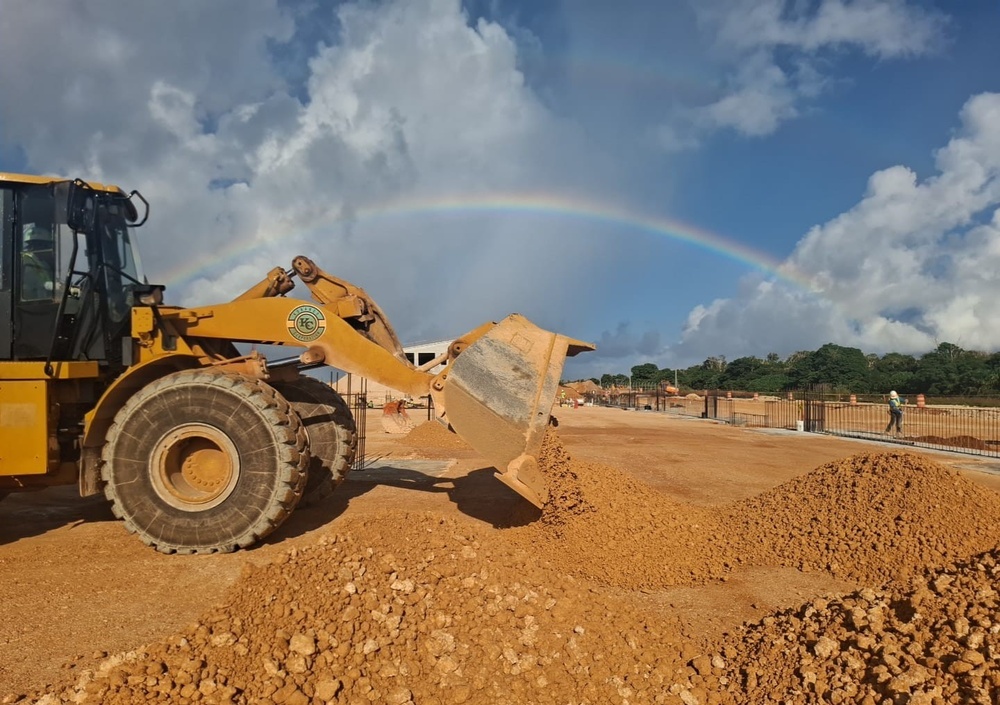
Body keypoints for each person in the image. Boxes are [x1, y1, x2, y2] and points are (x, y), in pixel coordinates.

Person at [20, 223, 56, 301]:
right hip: (31, 303)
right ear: (40, 246)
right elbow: (32, 284)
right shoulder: (25, 261)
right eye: (48, 246)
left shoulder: (43, 264)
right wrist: (51, 286)